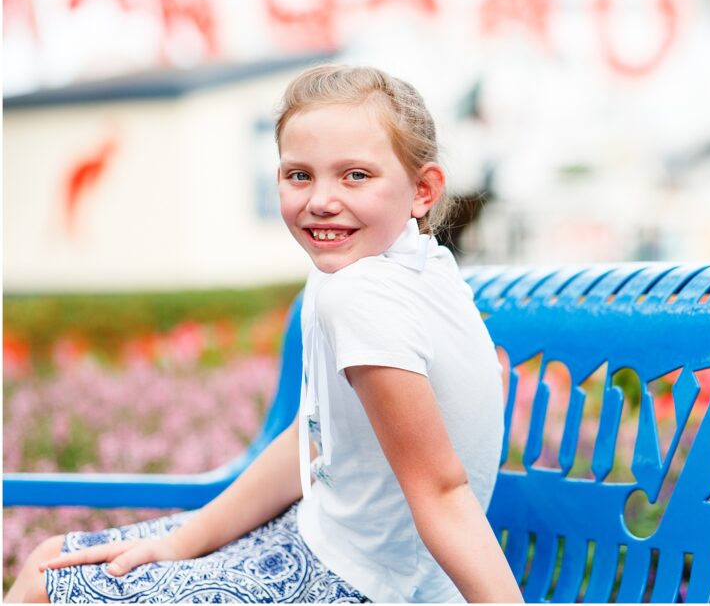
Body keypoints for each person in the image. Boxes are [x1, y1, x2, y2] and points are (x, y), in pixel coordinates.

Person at [4, 64, 523, 604]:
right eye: (299, 175)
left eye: (355, 176)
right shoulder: (394, 263)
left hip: (362, 585)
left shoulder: (361, 295)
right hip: (316, 538)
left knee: (47, 584)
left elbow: (444, 492)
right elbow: (317, 439)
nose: (321, 199)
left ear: (423, 190)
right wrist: (188, 539)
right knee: (50, 562)